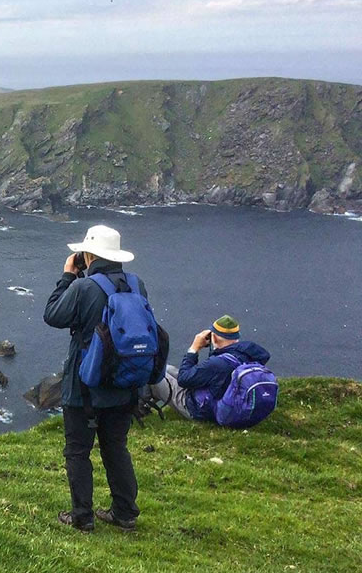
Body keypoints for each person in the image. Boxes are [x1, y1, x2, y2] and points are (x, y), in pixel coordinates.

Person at [43, 225, 145, 533]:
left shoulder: (83, 288)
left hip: (85, 387)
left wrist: (67, 276)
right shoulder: (136, 285)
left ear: (88, 255)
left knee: (77, 450)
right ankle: (125, 513)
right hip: (126, 384)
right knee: (115, 446)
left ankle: (82, 516)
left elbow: (53, 315)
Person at [152, 315, 271, 421]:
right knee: (167, 370)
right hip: (228, 402)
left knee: (153, 373)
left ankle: (139, 410)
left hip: (200, 410)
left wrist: (194, 349)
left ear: (213, 338)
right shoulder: (249, 355)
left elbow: (184, 379)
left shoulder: (218, 363)